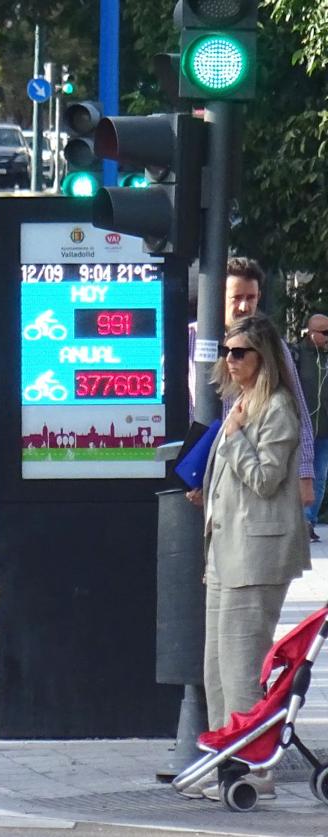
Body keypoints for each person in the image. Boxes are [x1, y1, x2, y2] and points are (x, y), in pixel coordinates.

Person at [184, 314, 310, 801]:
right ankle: (223, 762)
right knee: (215, 668)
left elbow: (265, 479)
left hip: (256, 556)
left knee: (240, 670)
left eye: (240, 353)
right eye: (227, 352)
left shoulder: (276, 408)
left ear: (264, 359)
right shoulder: (240, 403)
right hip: (223, 551)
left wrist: (234, 437)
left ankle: (255, 770)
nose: (230, 361)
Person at [187, 258, 316, 527]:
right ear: (217, 297)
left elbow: (297, 410)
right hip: (203, 474)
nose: (245, 306)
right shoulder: (189, 341)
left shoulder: (274, 348)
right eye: (236, 298)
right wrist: (191, 473)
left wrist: (305, 475)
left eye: (251, 297)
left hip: (255, 474)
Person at [289, 312, 328, 541]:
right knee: (300, 474)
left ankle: (307, 522)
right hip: (300, 428)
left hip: (324, 430)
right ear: (310, 333)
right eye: (324, 333)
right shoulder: (296, 355)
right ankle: (297, 520)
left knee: (320, 477)